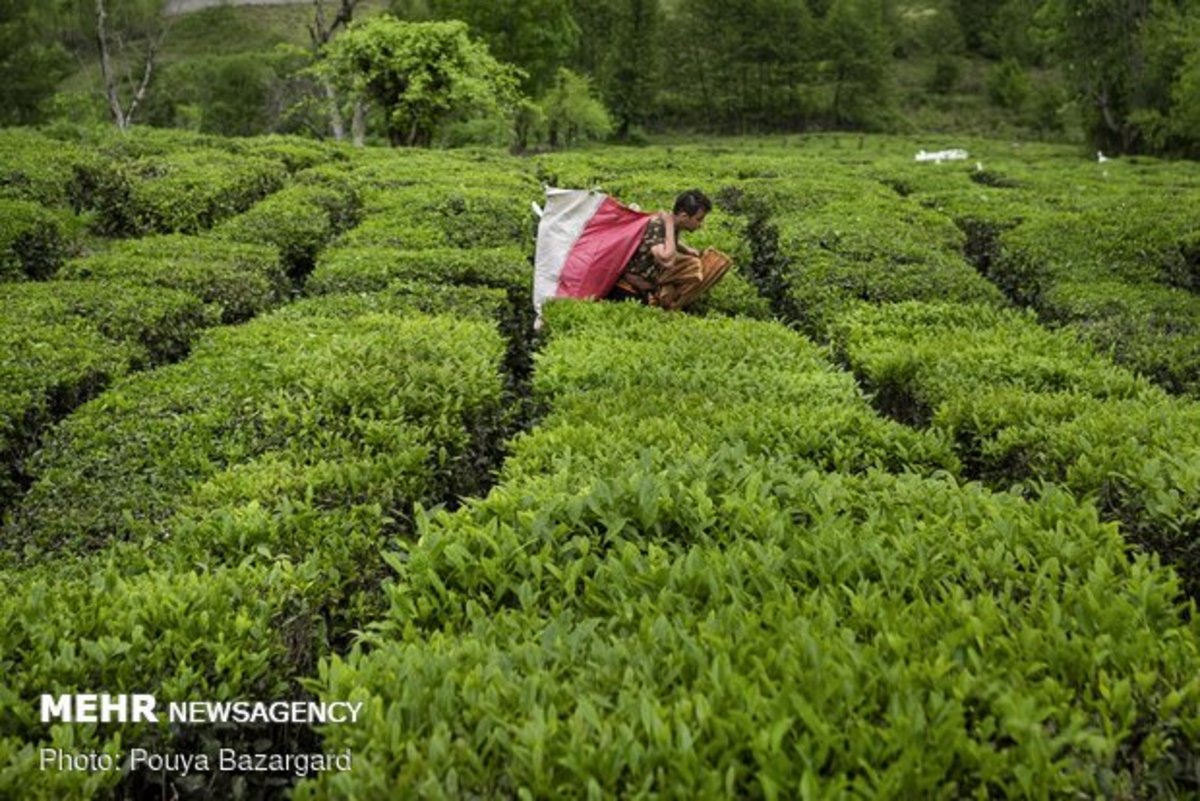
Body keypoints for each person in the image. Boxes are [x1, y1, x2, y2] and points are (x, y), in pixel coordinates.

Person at [605, 189, 731, 311]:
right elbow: (666, 259)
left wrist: (687, 249)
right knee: (692, 267)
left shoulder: (669, 225)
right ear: (684, 216)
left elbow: (662, 240)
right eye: (698, 219)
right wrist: (669, 225)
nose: (700, 225)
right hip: (627, 291)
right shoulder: (659, 224)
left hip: (641, 290)